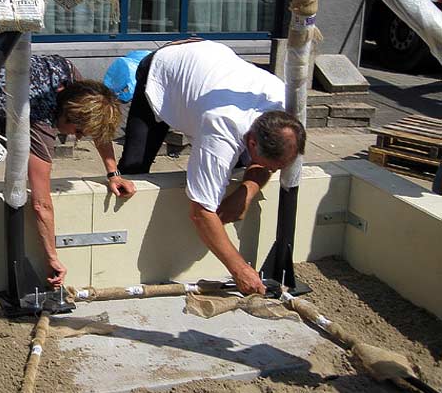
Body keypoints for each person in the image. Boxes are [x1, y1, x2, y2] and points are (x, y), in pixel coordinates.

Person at [117, 39, 306, 295]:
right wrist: (239, 269)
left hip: (210, 67)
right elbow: (200, 212)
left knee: (237, 172)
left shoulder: (284, 106)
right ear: (251, 142)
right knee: (134, 167)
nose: (269, 170)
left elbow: (263, 166)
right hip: (161, 70)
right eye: (266, 164)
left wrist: (247, 191)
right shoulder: (221, 128)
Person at [0, 55, 136, 288]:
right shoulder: (38, 123)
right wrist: (52, 257)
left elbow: (98, 130)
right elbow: (41, 203)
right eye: (78, 130)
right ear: (67, 115)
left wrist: (113, 173)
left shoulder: (72, 78)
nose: (78, 136)